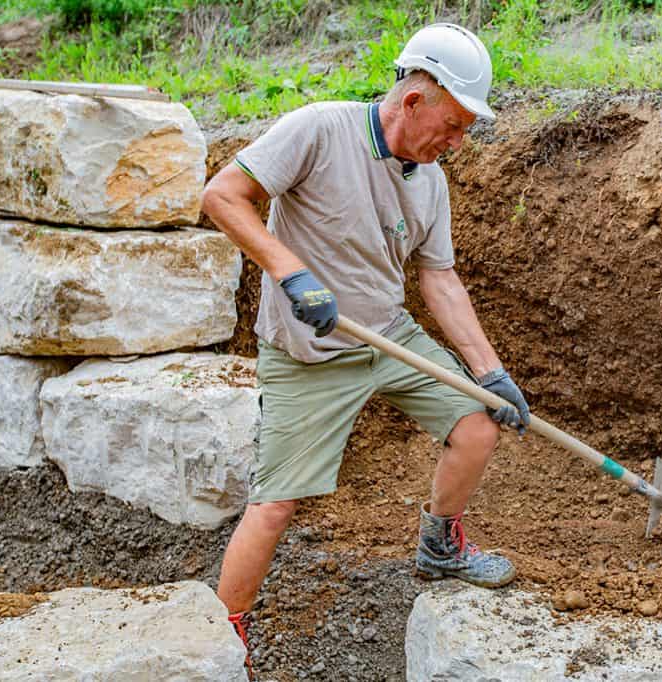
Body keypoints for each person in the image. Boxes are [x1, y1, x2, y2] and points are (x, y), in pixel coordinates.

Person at [200, 23, 530, 674]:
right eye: (455, 124)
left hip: (386, 334)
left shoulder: (429, 181)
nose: (458, 143)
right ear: (414, 101)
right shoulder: (320, 130)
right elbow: (222, 196)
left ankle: (441, 546)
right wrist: (292, 274)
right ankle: (222, 639)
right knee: (274, 507)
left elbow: (438, 278)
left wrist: (491, 374)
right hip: (308, 350)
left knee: (477, 427)